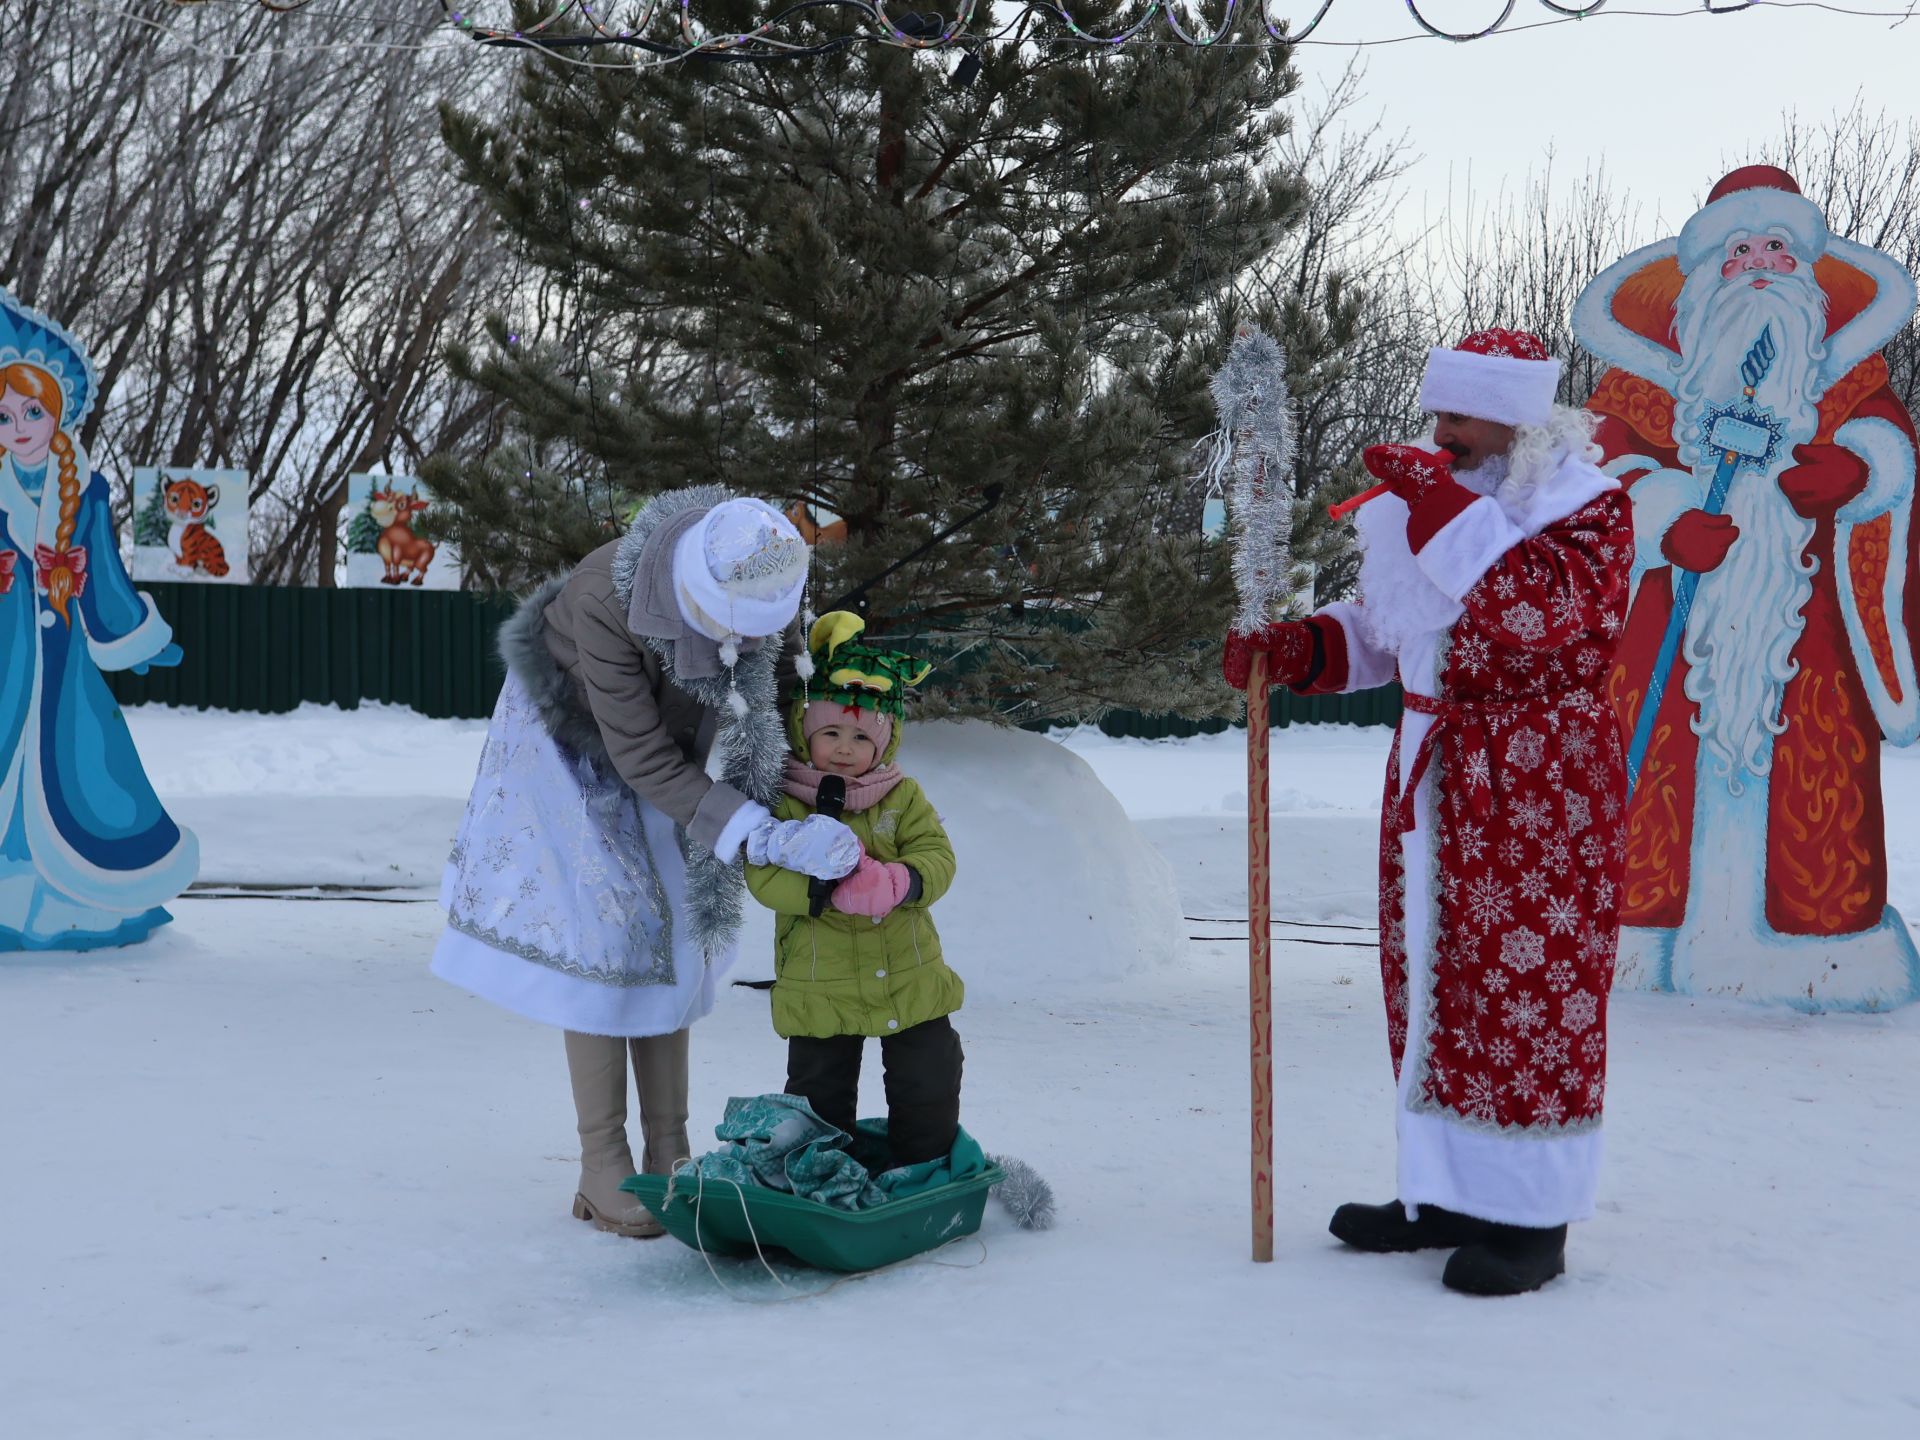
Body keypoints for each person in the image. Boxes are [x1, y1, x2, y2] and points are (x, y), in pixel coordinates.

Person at [1222, 329, 1633, 1295]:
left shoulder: (1589, 509)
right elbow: (1390, 628)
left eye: (1457, 416)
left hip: (1539, 785)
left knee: (1527, 995)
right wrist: (1298, 648)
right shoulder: (1436, 508)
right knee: (1435, 984)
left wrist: (1435, 501)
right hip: (1435, 773)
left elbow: (1530, 612)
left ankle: (1531, 1217)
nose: (1438, 433)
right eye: (1435, 413)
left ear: (1518, 417)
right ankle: (1446, 1189)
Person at [431, 486, 861, 1237]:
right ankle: (604, 1163)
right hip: (567, 736)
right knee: (601, 936)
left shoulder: (763, 564)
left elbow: (763, 696)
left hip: (667, 751)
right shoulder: (608, 597)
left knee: (676, 931)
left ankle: (671, 1147)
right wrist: (752, 831)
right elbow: (638, 754)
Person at [1574, 165, 1920, 1009]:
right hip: (1671, 627)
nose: (1760, 266)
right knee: (1655, 778)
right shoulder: (1642, 389)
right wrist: (1659, 519)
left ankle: (1818, 950)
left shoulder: (1846, 383)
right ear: (1699, 282)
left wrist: (1862, 472)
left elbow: (1890, 450)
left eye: (1778, 249)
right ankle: (1643, 935)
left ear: (1809, 275)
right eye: (1738, 252)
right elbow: (1593, 477)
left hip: (1807, 633)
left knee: (1817, 779)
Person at [0, 286, 194, 951]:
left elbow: (103, 566)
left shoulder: (85, 487)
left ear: (56, 413)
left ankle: (67, 900)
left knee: (78, 765)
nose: (18, 427)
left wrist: (131, 630)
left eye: (31, 410)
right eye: (3, 416)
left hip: (60, 658)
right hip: (3, 649)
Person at [744, 611, 964, 1168]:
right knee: (820, 1088)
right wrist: (823, 892)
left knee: (929, 1074)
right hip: (820, 979)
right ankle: (821, 1170)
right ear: (803, 731)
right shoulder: (785, 801)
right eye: (830, 733)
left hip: (908, 973)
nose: (844, 748)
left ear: (885, 742)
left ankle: (923, 1168)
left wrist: (901, 880)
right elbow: (762, 873)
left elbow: (938, 856)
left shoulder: (902, 797)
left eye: (861, 736)